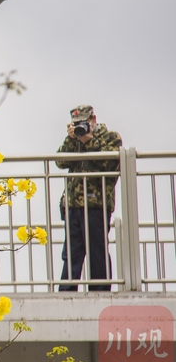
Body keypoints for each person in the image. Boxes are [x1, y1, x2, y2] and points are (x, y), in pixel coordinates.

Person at [56, 105, 122, 291]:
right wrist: (71, 139)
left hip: (96, 203)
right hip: (73, 204)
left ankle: (100, 291)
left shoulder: (110, 137)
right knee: (71, 253)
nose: (80, 127)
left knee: (97, 251)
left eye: (83, 123)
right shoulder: (73, 140)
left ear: (93, 119)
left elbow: (109, 162)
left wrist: (88, 140)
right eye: (76, 124)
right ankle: (66, 292)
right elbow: (60, 161)